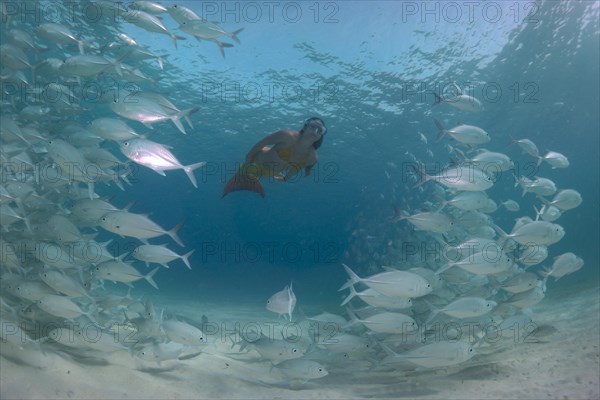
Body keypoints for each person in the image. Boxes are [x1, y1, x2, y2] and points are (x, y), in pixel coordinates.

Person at [223, 117, 327, 197]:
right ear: (305, 127)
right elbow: (263, 142)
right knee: (243, 175)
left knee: (250, 179)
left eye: (320, 130)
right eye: (313, 127)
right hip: (256, 162)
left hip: (271, 173)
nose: (315, 132)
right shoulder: (286, 135)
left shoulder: (312, 158)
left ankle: (247, 183)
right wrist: (249, 157)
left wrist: (286, 178)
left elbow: (296, 167)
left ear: (321, 135)